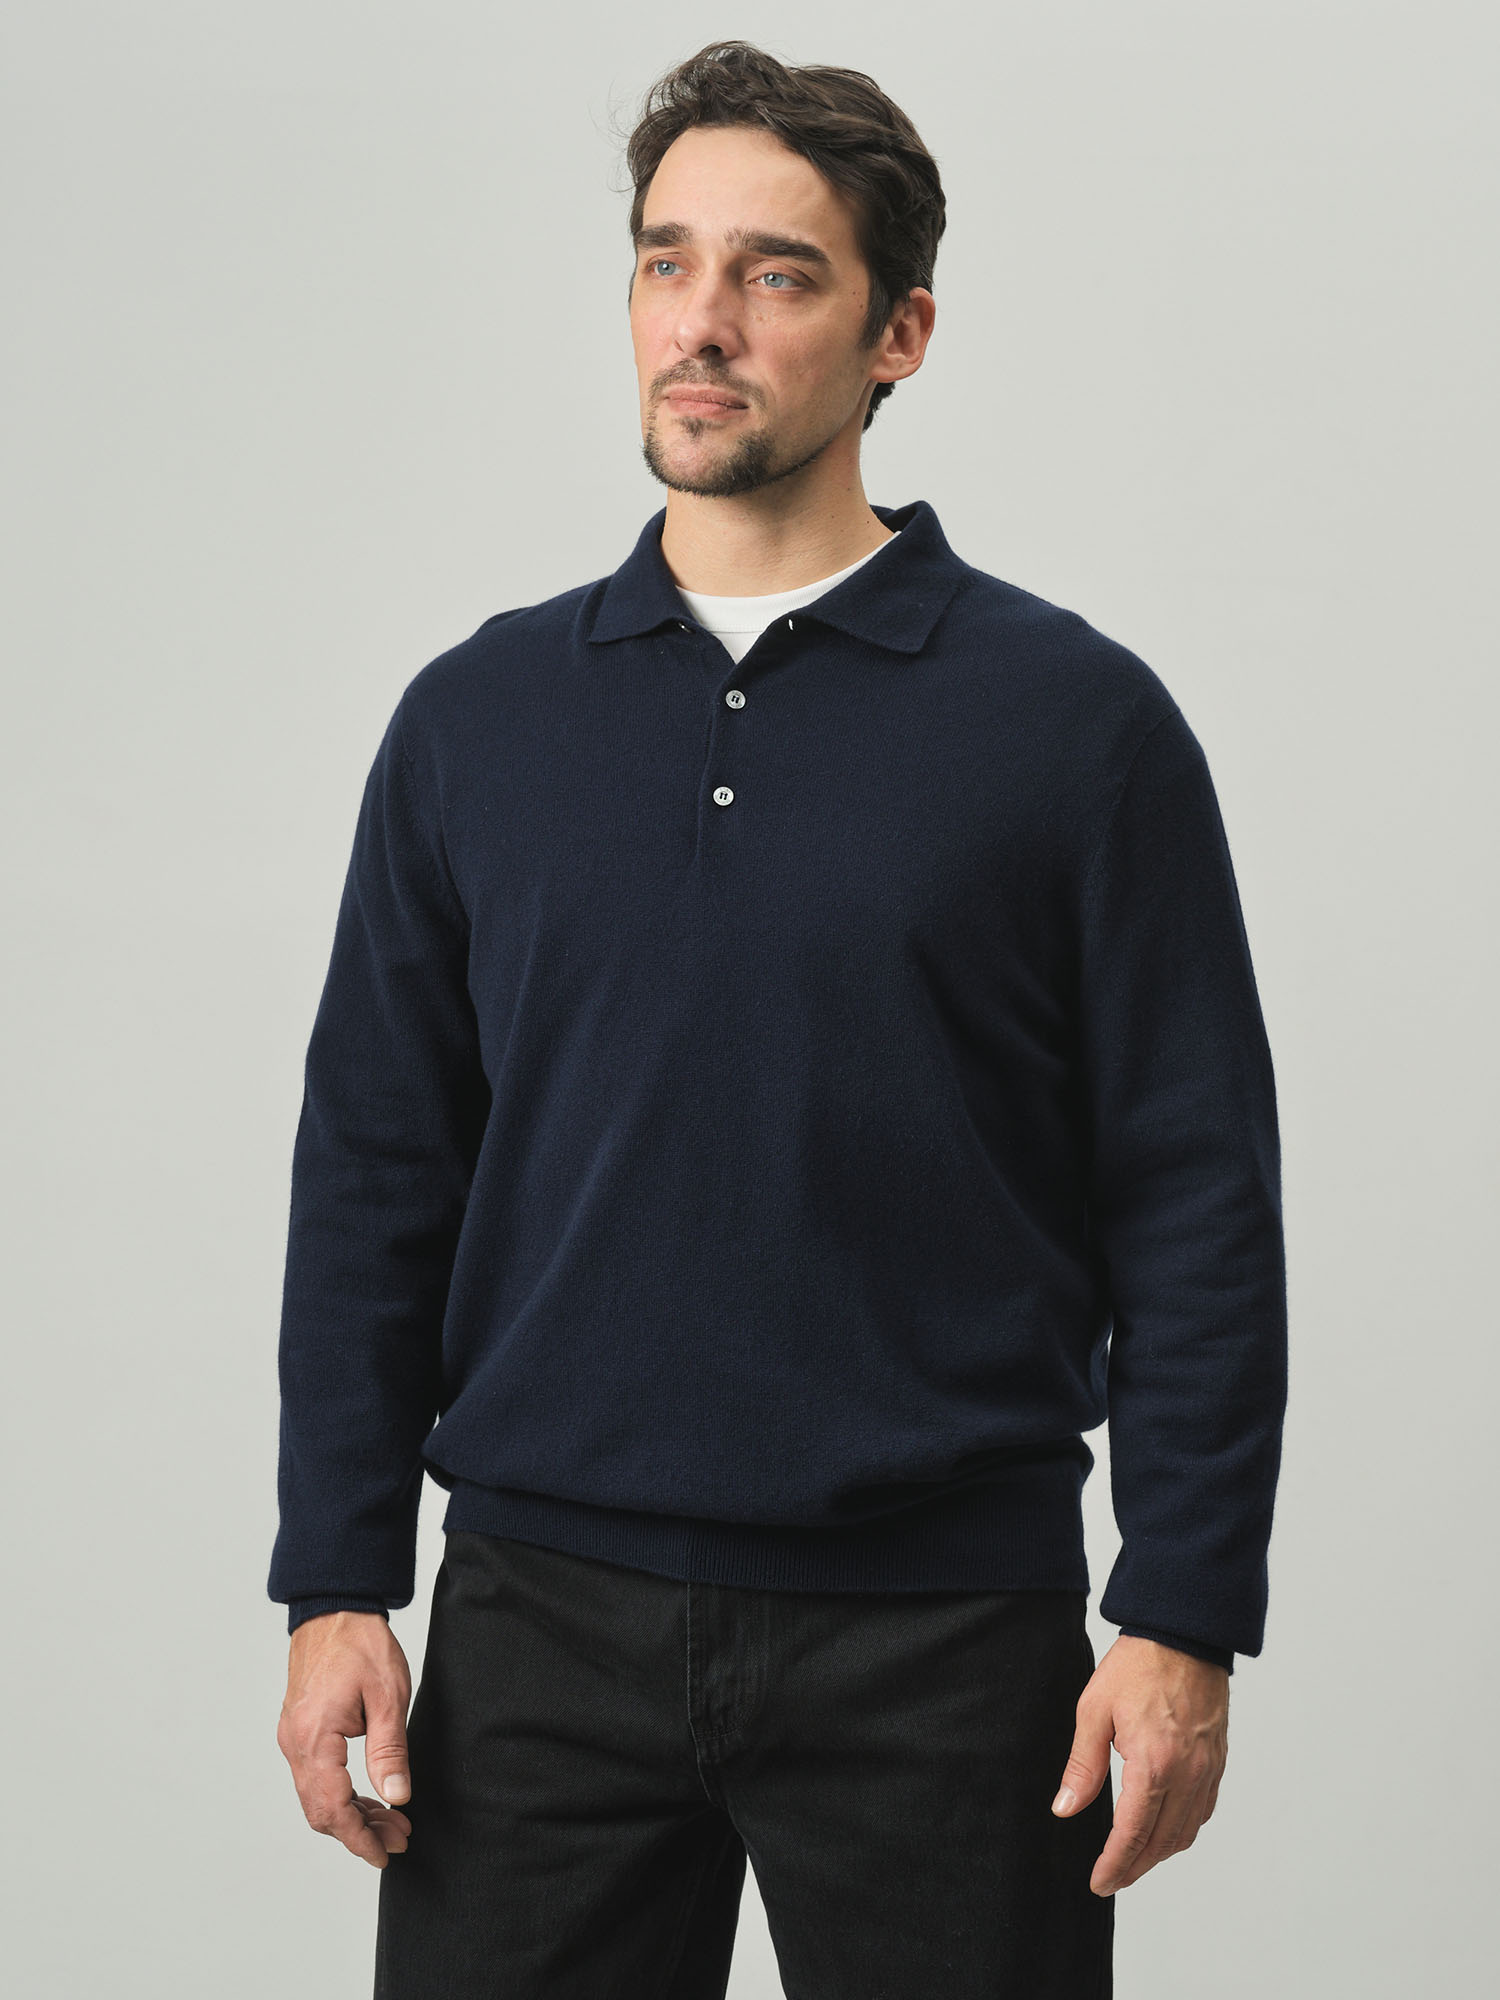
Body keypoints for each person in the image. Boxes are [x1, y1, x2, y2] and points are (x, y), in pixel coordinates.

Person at [270, 39, 1287, 1999]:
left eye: (777, 272)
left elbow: (1194, 1196)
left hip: (947, 1637)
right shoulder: (479, 721)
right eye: (666, 262)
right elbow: (380, 1169)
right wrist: (335, 1577)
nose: (703, 321)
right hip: (540, 1629)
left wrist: (1181, 1613)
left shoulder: (1077, 729)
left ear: (902, 331)